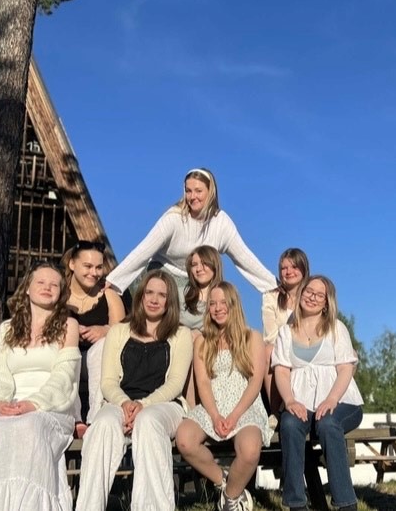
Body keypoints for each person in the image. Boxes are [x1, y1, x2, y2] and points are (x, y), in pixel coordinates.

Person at [0, 262, 81, 511]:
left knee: (29, 427)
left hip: (51, 407)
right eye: (40, 282)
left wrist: (34, 404)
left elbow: (65, 376)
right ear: (27, 289)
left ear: (61, 293)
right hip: (11, 405)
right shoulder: (6, 329)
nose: (47, 287)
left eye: (54, 284)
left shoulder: (69, 326)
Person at [75, 270, 193, 511]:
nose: (154, 299)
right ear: (141, 296)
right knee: (102, 424)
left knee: (148, 421)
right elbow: (108, 381)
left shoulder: (181, 334)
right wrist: (126, 403)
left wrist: (144, 405)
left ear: (170, 301)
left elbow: (175, 384)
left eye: (162, 295)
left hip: (164, 405)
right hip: (121, 402)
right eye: (149, 292)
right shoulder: (119, 331)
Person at [105, 168, 276, 307]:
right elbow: (143, 251)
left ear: (210, 192)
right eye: (188, 191)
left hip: (197, 282)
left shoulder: (221, 222)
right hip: (163, 275)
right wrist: (113, 280)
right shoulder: (174, 218)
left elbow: (245, 258)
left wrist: (273, 285)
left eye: (198, 191)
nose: (192, 197)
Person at [175, 282, 271, 511]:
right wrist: (215, 415)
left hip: (245, 405)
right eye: (212, 304)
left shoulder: (252, 337)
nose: (217, 308)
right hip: (213, 405)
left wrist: (235, 415)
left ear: (234, 305)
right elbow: (203, 383)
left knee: (250, 450)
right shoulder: (202, 341)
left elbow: (255, 382)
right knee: (184, 439)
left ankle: (229, 499)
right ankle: (224, 481)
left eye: (223, 303)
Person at [272, 275, 364, 511]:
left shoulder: (336, 328)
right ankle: (296, 503)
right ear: (301, 294)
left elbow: (346, 369)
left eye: (319, 295)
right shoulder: (285, 332)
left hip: (341, 401)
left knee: (328, 424)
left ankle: (346, 504)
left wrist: (332, 399)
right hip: (301, 401)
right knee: (289, 424)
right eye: (308, 291)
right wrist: (289, 400)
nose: (312, 297)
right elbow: (281, 371)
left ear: (326, 302)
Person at [62, 240, 127, 427]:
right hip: (67, 360)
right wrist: (71, 330)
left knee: (103, 346)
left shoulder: (108, 295)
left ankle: (96, 416)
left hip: (98, 362)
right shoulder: (60, 292)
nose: (94, 272)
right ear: (72, 264)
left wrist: (106, 330)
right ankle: (73, 417)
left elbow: (123, 334)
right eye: (88, 266)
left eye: (98, 267)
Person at [261, 248, 309, 413]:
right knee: (268, 350)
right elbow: (270, 334)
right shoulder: (270, 297)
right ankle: (275, 413)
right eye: (284, 268)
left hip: (306, 347)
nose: (288, 272)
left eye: (294, 267)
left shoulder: (311, 296)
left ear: (303, 268)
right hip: (281, 348)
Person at [181, 245, 224, 407]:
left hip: (216, 346)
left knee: (198, 342)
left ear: (214, 264)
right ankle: (191, 407)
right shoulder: (181, 294)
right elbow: (169, 323)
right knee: (190, 340)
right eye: (194, 265)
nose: (199, 269)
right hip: (185, 346)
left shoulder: (224, 294)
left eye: (204, 263)